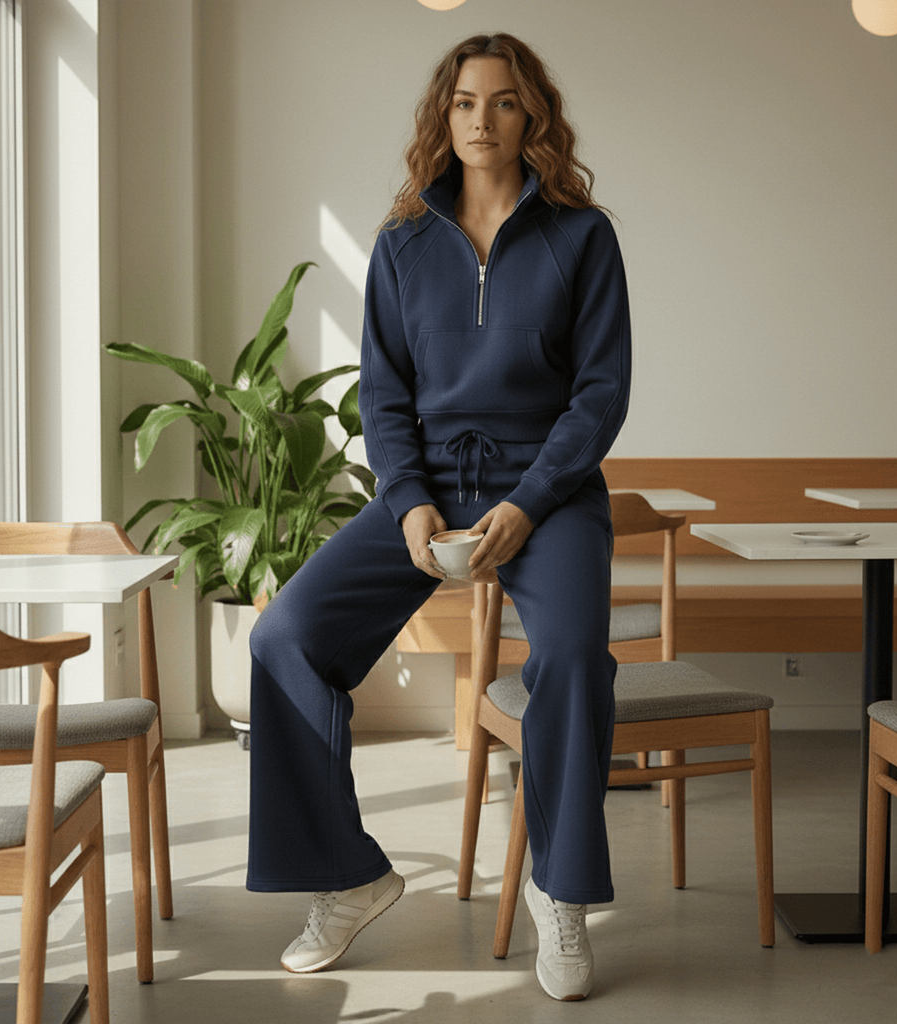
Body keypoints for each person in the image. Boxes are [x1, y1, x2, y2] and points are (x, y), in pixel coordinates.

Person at [246, 32, 631, 1002]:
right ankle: (346, 875)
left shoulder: (582, 237)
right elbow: (384, 397)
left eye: (501, 101)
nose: (481, 120)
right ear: (443, 115)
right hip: (431, 486)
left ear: (531, 113)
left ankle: (560, 892)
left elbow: (599, 395)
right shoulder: (403, 243)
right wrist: (410, 503)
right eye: (464, 102)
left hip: (548, 489)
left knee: (573, 655)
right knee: (285, 636)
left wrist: (528, 504)